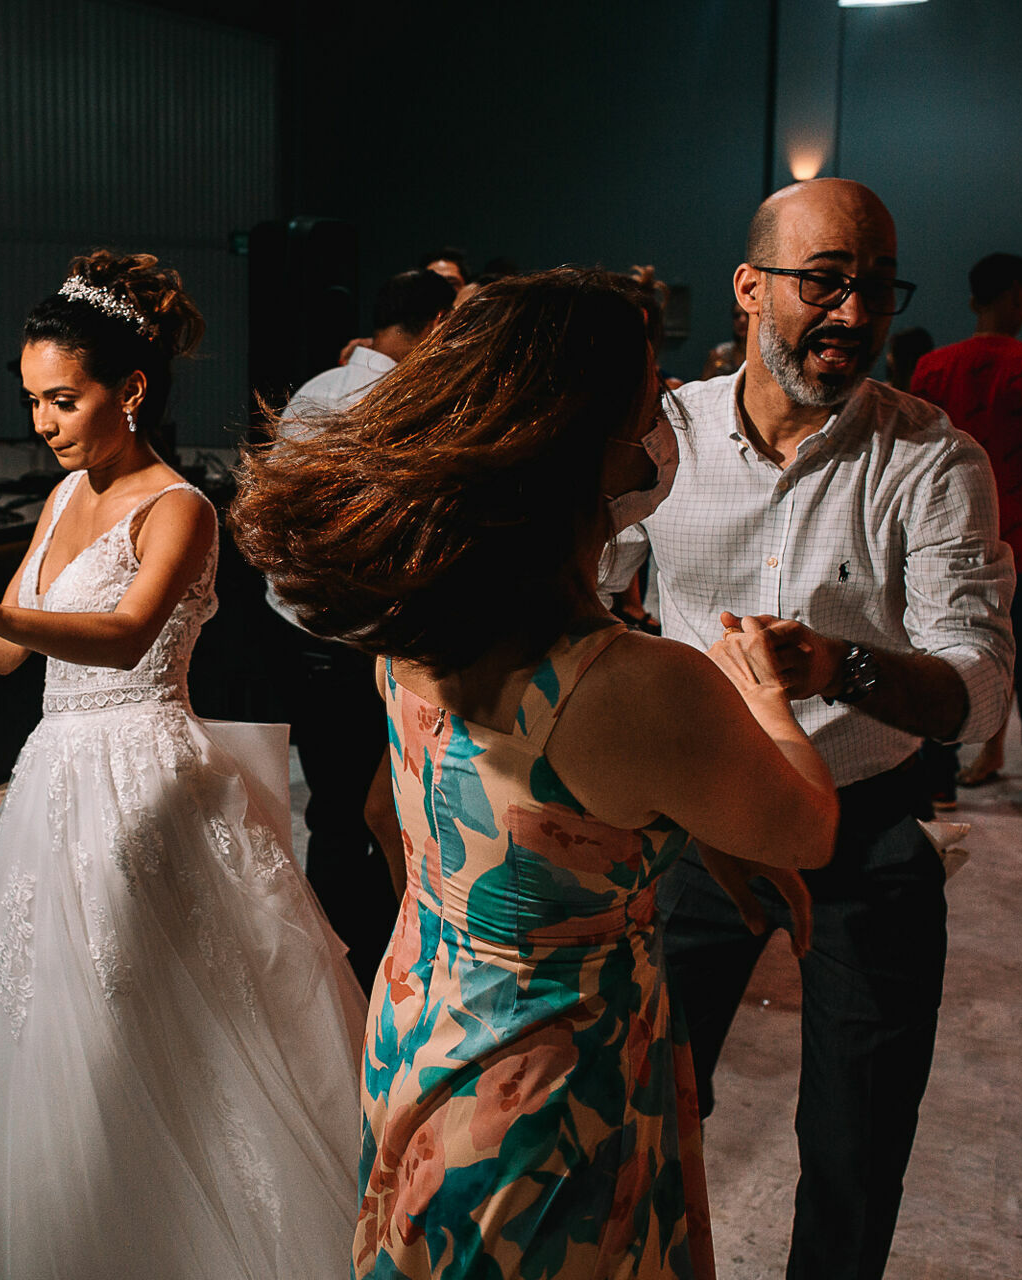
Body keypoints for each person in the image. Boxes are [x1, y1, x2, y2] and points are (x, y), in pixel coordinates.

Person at [233, 267, 839, 1277]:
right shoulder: (639, 684)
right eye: (651, 408)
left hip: (425, 1012)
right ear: (591, 448)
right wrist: (764, 692)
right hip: (556, 1079)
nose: (662, 433)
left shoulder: (415, 611)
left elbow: (399, 813)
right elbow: (808, 826)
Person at [0, 251, 367, 1279]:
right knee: (41, 1017)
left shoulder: (182, 508)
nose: (44, 424)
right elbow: (7, 649)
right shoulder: (65, 496)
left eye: (63, 400)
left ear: (134, 389)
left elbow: (118, 633)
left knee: (155, 1017)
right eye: (33, 402)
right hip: (55, 773)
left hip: (147, 773)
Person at [601, 179, 1013, 1280]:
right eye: (822, 280)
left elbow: (979, 692)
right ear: (749, 286)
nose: (850, 312)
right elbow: (577, 584)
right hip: (695, 822)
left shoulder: (932, 460)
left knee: (855, 1142)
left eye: (874, 287)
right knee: (646, 1102)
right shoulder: (664, 439)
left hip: (865, 827)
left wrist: (842, 662)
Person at [268, 266, 456, 988]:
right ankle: (380, 965)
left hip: (298, 628)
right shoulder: (409, 402)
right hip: (372, 644)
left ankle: (333, 969)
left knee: (333, 813)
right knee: (389, 811)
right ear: (435, 326)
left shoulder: (317, 389)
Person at [909, 253, 1022, 806]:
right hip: (1021, 535)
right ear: (1016, 298)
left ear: (971, 301)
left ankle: (937, 778)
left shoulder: (933, 367)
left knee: (942, 649)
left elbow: (917, 452)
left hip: (946, 531)